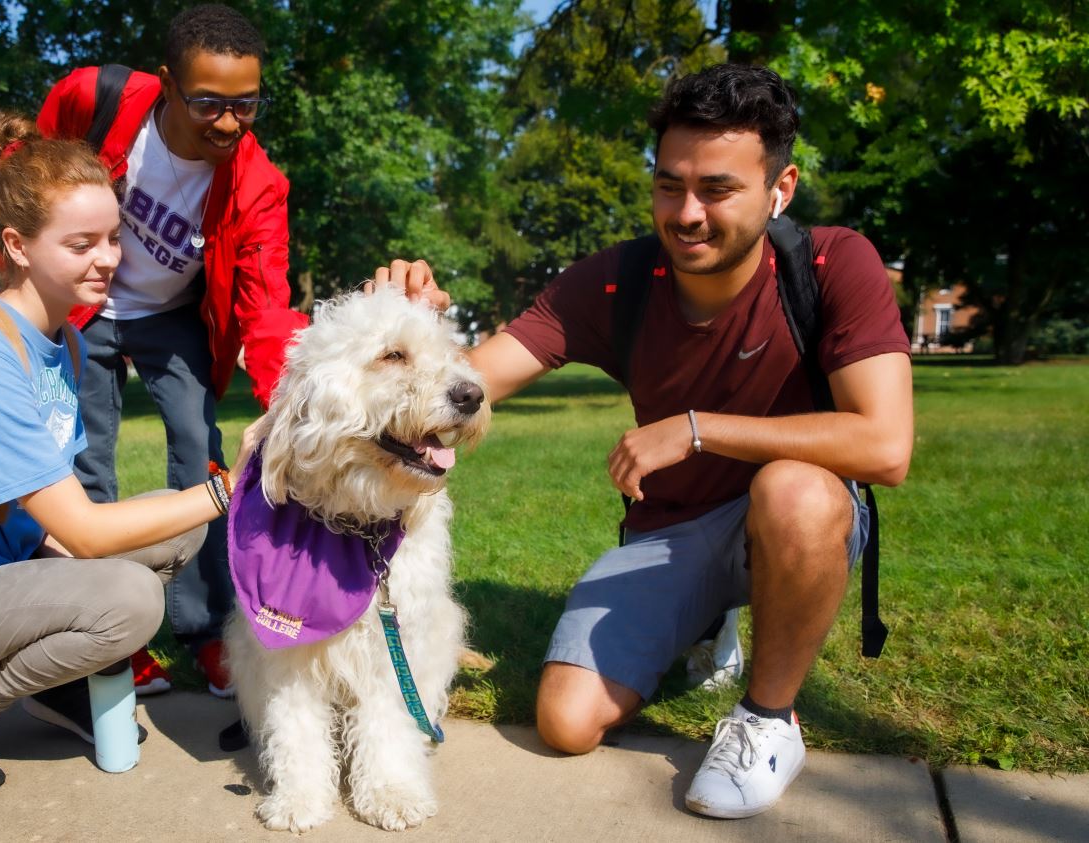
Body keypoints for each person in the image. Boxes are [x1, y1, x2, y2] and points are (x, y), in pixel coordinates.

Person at [377, 64, 913, 818]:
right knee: (566, 721)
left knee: (792, 488)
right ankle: (707, 619)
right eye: (670, 185)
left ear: (780, 187)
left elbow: (886, 445)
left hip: (797, 517)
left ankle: (767, 719)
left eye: (718, 189)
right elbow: (469, 382)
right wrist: (408, 329)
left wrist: (695, 430)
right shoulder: (616, 282)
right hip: (670, 532)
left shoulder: (831, 263)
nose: (687, 212)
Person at [0, 110, 238, 798]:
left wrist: (191, 511)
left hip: (6, 574)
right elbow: (85, 531)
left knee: (175, 522)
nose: (108, 258)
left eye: (114, 237)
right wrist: (227, 489)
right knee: (130, 597)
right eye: (82, 243)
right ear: (19, 245)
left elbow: (55, 520)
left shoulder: (61, 340)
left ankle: (58, 682)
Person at [36, 4, 307, 698]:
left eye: (244, 105)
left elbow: (266, 307)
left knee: (200, 445)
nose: (227, 122)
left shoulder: (257, 186)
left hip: (170, 315)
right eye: (208, 103)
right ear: (167, 84)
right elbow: (33, 173)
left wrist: (288, 404)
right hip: (87, 307)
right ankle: (104, 639)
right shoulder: (99, 99)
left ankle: (207, 628)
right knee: (84, 455)